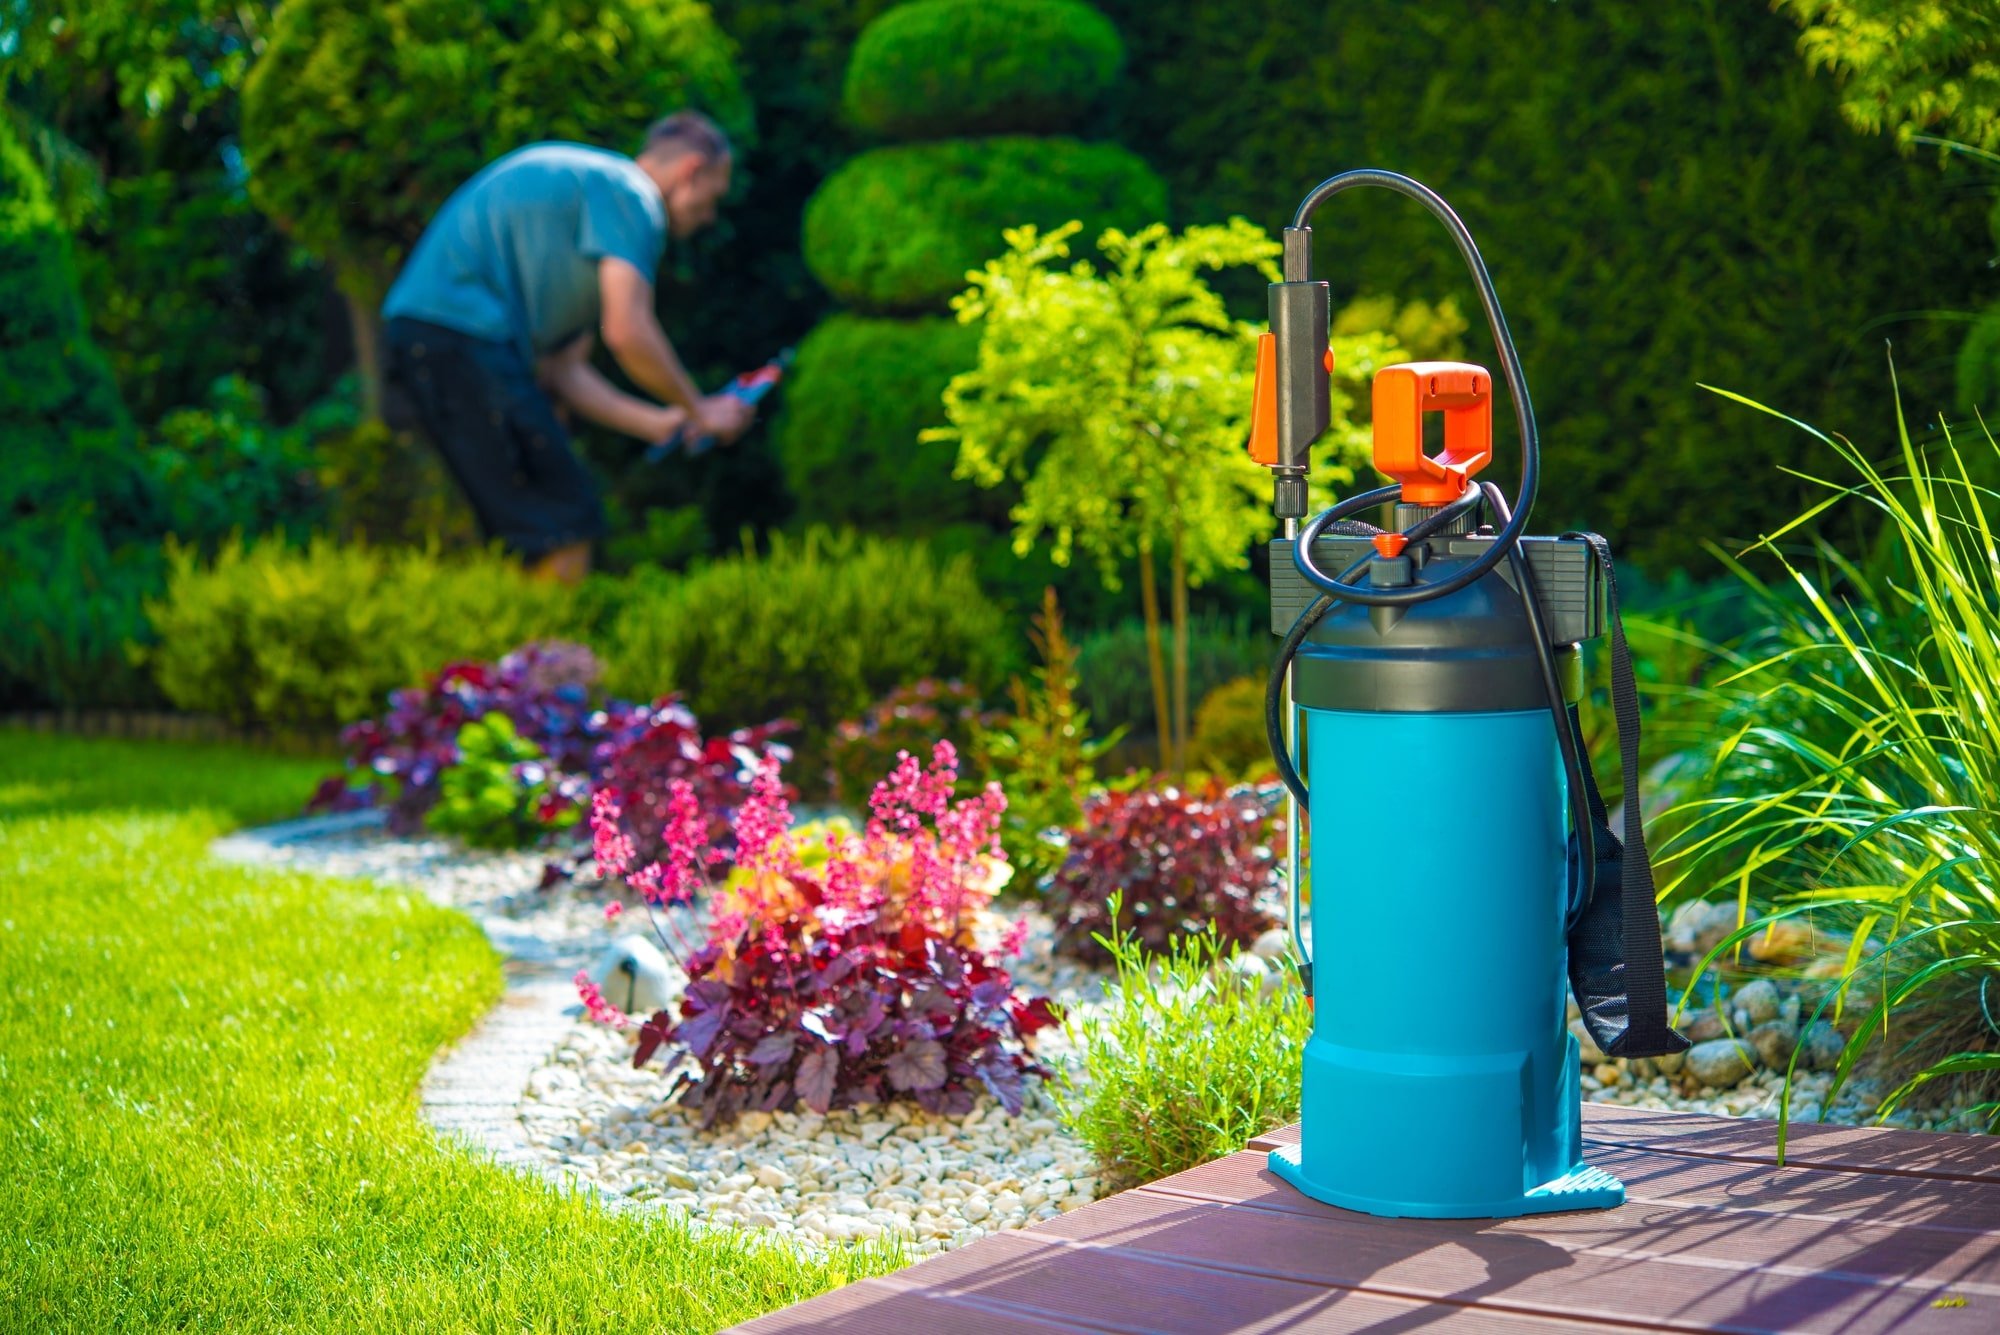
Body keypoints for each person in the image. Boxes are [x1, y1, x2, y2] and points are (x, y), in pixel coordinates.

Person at [381, 111, 754, 583]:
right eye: (712, 197)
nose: (709, 216)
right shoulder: (631, 197)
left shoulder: (589, 205)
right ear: (691, 171)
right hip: (462, 335)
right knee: (563, 524)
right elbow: (627, 330)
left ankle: (515, 650)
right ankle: (546, 654)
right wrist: (701, 409)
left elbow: (565, 372)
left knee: (532, 526)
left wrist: (663, 423)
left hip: (433, 338)